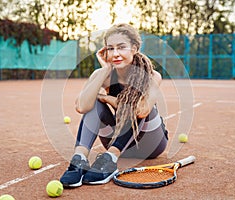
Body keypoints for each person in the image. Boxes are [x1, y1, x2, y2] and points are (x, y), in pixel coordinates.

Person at [60, 23, 168, 187]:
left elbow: (142, 110)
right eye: (110, 48)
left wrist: (107, 98)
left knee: (138, 105)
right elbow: (82, 106)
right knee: (94, 103)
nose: (115, 53)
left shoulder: (152, 75)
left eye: (121, 47)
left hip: (150, 144)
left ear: (134, 48)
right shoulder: (102, 74)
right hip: (118, 137)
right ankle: (78, 161)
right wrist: (105, 70)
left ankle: (110, 159)